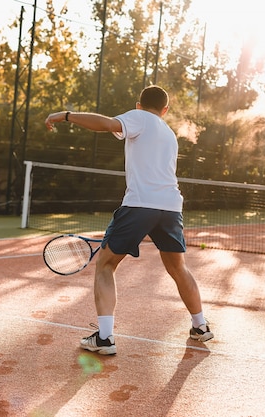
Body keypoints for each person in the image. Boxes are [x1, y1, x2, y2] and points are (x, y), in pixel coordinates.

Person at [44, 85, 213, 355]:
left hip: (139, 205)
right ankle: (200, 326)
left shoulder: (140, 117)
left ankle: (105, 338)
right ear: (165, 110)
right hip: (170, 208)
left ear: (138, 105)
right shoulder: (169, 133)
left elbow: (106, 124)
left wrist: (65, 115)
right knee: (178, 268)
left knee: (106, 265)